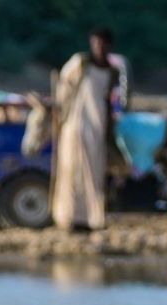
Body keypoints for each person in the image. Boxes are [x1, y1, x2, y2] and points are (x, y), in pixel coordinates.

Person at [51, 27, 121, 231]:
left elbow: (109, 101)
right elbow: (63, 90)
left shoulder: (111, 71)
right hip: (74, 126)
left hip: (96, 129)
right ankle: (68, 217)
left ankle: (92, 218)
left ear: (109, 46)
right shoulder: (80, 64)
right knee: (70, 173)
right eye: (96, 43)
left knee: (94, 173)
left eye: (103, 43)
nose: (99, 47)